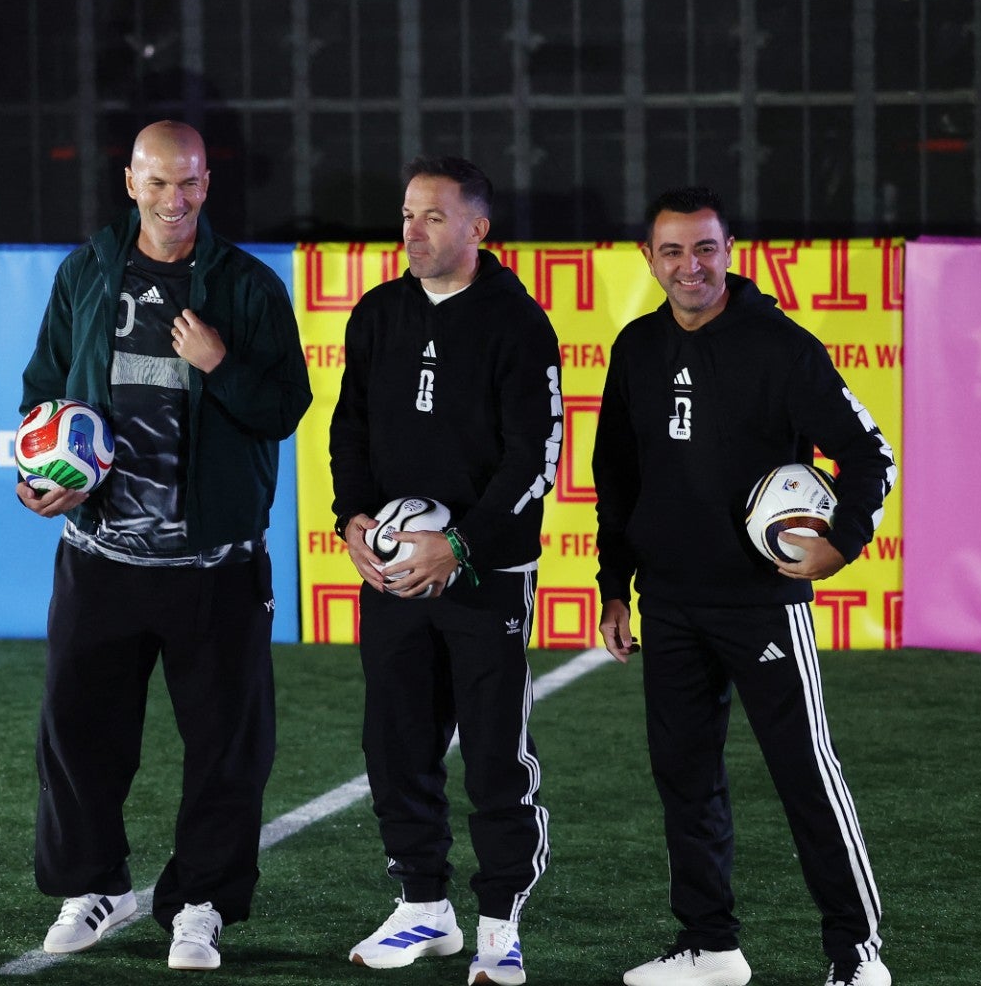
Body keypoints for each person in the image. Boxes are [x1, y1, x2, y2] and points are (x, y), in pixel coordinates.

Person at [16, 120, 310, 971]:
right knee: (78, 733)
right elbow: (42, 392)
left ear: (207, 185)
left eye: (189, 184)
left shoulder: (246, 287)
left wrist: (220, 361)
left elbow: (284, 407)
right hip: (100, 558)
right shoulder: (86, 273)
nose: (174, 201)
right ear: (130, 182)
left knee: (226, 747)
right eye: (158, 183)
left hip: (213, 567)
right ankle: (94, 886)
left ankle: (201, 905)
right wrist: (36, 479)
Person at [596, 187, 896, 986]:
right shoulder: (634, 350)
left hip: (760, 603)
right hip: (668, 601)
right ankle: (710, 947)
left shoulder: (779, 347)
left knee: (806, 774)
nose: (689, 266)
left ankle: (856, 955)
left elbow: (872, 455)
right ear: (649, 259)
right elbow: (615, 479)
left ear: (729, 250)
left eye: (704, 248)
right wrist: (614, 587)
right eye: (672, 251)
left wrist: (843, 543)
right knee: (684, 778)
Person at [328, 156, 562, 985]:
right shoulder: (378, 313)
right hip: (391, 570)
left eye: (432, 217)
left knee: (497, 752)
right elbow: (347, 427)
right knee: (396, 742)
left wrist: (458, 545)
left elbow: (537, 459)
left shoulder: (517, 322)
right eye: (405, 215)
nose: (413, 232)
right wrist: (351, 518)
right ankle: (422, 908)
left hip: (485, 572)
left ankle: (499, 923)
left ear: (477, 228)